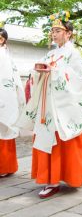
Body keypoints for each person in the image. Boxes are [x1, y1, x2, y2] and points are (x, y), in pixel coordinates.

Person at [17, 12, 82, 198]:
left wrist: (56, 73)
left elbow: (80, 79)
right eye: (52, 31)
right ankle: (51, 179)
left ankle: (68, 176)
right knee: (48, 138)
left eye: (58, 31)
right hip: (48, 105)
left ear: (68, 33)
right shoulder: (51, 53)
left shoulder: (74, 54)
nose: (54, 34)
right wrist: (38, 72)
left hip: (63, 106)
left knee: (64, 139)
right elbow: (43, 74)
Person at [0, 28, 25, 178]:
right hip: (5, 97)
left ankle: (4, 166)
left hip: (3, 97)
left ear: (2, 40)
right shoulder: (6, 56)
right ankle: (7, 166)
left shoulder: (3, 56)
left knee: (3, 130)